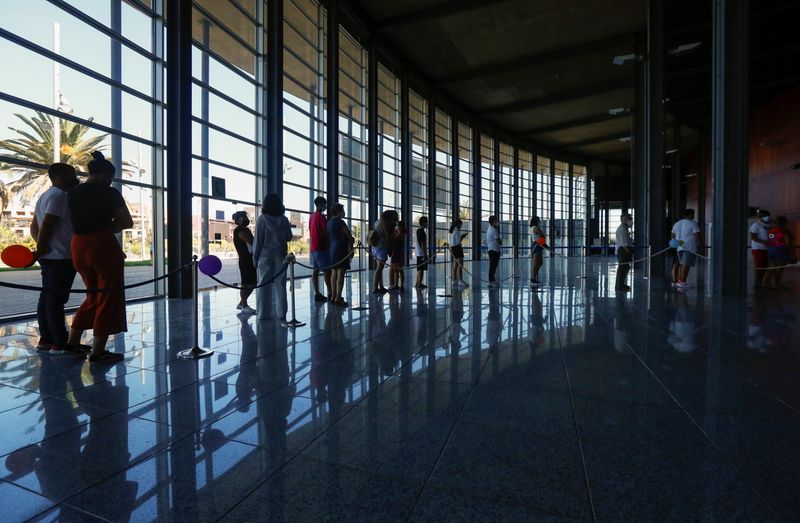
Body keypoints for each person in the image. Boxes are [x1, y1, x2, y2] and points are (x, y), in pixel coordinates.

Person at [65, 151, 133, 364]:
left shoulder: (73, 192)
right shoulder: (110, 193)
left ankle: (73, 342)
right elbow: (127, 222)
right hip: (102, 245)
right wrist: (110, 226)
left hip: (78, 245)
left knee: (92, 295)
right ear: (107, 176)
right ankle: (98, 351)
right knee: (108, 296)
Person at [30, 163, 80, 355]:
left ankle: (46, 339)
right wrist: (42, 248)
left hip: (51, 256)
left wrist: (42, 249)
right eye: (71, 174)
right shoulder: (59, 197)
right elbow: (47, 225)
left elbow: (34, 227)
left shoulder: (44, 196)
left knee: (47, 297)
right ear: (59, 176)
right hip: (61, 257)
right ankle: (59, 342)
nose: (75, 178)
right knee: (56, 300)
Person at [253, 193, 293, 324]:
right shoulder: (284, 219)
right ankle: (282, 313)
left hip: (265, 256)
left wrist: (255, 258)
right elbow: (289, 237)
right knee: (280, 285)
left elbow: (258, 241)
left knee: (263, 285)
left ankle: (263, 314)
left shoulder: (262, 219)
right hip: (281, 255)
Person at [327, 203, 352, 306]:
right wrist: (351, 244)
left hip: (332, 248)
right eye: (342, 210)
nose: (344, 212)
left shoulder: (329, 222)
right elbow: (349, 235)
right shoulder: (340, 222)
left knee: (334, 273)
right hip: (341, 248)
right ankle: (338, 298)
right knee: (341, 273)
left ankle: (333, 296)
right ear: (339, 211)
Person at [231, 211, 256, 314]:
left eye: (246, 217)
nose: (246, 219)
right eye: (243, 217)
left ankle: (242, 303)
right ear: (237, 220)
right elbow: (251, 241)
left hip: (249, 259)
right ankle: (244, 305)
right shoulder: (239, 231)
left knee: (252, 283)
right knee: (246, 283)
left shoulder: (244, 229)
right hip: (245, 260)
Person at [671, 208, 702, 289]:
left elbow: (673, 235)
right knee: (686, 265)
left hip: (679, 246)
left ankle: (679, 281)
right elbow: (697, 236)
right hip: (689, 247)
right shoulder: (693, 223)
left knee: (681, 264)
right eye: (693, 214)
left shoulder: (677, 223)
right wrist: (699, 245)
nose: (694, 216)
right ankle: (682, 282)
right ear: (690, 215)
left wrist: (677, 243)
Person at [309, 196, 331, 302]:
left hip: (313, 247)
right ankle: (331, 293)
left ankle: (317, 293)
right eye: (324, 204)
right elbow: (325, 232)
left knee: (315, 271)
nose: (325, 206)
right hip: (321, 247)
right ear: (320, 205)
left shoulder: (311, 217)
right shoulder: (321, 217)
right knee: (327, 271)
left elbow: (311, 230)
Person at [765, 216, 796, 289]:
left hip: (771, 250)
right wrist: (792, 254)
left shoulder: (771, 230)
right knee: (779, 268)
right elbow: (789, 243)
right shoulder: (785, 231)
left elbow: (769, 241)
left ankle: (765, 282)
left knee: (771, 266)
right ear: (784, 222)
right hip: (781, 250)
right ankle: (776, 284)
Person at [371, 210, 396, 294]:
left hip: (375, 247)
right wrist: (391, 246)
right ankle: (375, 288)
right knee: (379, 269)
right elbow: (387, 236)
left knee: (379, 268)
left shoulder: (377, 222)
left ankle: (380, 286)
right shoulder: (386, 223)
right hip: (382, 247)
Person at [750, 209, 771, 288]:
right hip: (758, 249)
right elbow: (753, 237)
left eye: (765, 216)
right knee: (759, 266)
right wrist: (763, 242)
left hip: (768, 249)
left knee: (766, 266)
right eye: (761, 216)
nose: (764, 217)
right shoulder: (756, 225)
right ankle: (757, 283)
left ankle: (763, 282)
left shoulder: (770, 225)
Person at [615, 213, 633, 292]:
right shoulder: (622, 229)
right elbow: (624, 244)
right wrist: (629, 253)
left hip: (624, 250)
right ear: (624, 220)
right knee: (622, 268)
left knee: (625, 267)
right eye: (630, 219)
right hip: (623, 251)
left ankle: (621, 284)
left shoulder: (624, 228)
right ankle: (619, 285)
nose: (631, 221)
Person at [449, 219, 468, 287]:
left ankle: (454, 280)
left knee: (455, 265)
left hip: (453, 248)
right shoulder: (456, 230)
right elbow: (458, 241)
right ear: (458, 224)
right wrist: (463, 236)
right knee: (460, 265)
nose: (461, 226)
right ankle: (460, 280)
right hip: (457, 248)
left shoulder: (452, 230)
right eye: (461, 225)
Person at [389, 221, 407, 291]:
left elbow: (395, 242)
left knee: (397, 270)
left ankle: (397, 284)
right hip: (399, 253)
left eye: (397, 225)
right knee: (399, 270)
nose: (396, 226)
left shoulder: (399, 234)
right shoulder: (401, 233)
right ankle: (399, 285)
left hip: (396, 253)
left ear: (400, 226)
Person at [529, 216, 546, 286]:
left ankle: (534, 276)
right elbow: (542, 235)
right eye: (539, 220)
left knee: (540, 262)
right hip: (536, 245)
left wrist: (544, 244)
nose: (540, 221)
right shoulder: (535, 228)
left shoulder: (535, 228)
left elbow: (541, 237)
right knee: (536, 262)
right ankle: (533, 278)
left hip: (539, 244)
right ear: (536, 221)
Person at [486, 215, 502, 284]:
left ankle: (491, 279)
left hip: (492, 250)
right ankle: (491, 280)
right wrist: (500, 241)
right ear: (493, 222)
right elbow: (498, 240)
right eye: (496, 221)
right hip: (494, 250)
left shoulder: (489, 229)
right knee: (493, 266)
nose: (498, 222)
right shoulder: (493, 230)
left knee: (492, 266)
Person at [414, 216, 429, 289]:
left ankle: (418, 283)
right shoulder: (421, 231)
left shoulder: (418, 230)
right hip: (421, 253)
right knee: (421, 269)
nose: (427, 223)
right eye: (426, 222)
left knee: (419, 268)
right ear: (423, 222)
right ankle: (419, 283)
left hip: (418, 253)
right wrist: (425, 254)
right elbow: (422, 244)